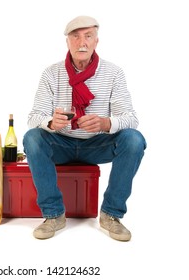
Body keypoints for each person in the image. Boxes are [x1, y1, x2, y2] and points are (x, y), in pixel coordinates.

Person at [23, 15, 147, 241]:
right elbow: (33, 117)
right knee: (32, 137)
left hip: (97, 144)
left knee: (134, 139)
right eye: (76, 36)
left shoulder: (114, 73)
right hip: (61, 142)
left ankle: (111, 214)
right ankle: (53, 214)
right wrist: (51, 123)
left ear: (96, 42)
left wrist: (105, 123)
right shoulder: (51, 73)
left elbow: (130, 118)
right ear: (67, 42)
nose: (82, 42)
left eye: (88, 36)